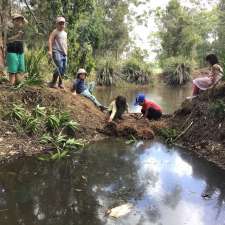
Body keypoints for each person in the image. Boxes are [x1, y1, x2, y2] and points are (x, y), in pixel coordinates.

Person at [6, 14, 28, 86]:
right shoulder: (9, 29)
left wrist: (22, 19)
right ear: (13, 21)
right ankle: (11, 85)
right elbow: (7, 40)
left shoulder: (22, 29)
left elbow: (26, 22)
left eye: (20, 20)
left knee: (21, 69)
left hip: (20, 51)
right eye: (17, 20)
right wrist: (17, 36)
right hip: (11, 50)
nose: (19, 21)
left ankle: (18, 85)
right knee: (12, 70)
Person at [48, 16, 67, 89]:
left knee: (64, 68)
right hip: (57, 51)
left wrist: (66, 53)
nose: (61, 25)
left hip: (64, 53)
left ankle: (60, 83)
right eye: (60, 23)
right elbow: (50, 40)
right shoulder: (55, 31)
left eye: (63, 23)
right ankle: (53, 82)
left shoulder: (65, 33)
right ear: (57, 24)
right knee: (59, 66)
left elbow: (65, 44)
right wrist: (50, 51)